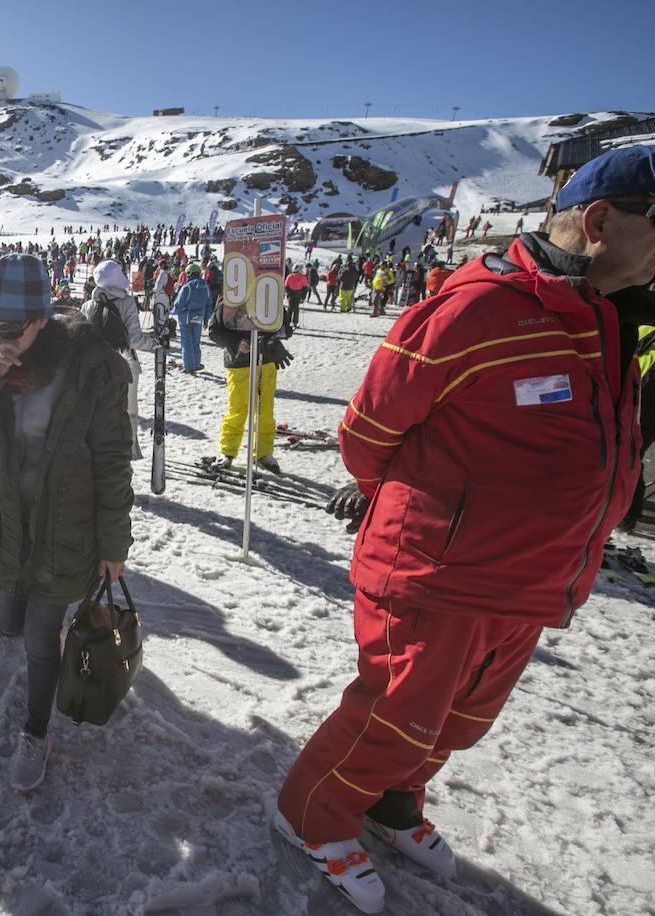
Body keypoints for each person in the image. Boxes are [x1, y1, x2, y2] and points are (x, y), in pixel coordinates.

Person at [276, 144, 655, 914]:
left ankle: (391, 803)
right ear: (601, 219)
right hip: (437, 573)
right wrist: (434, 520)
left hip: (532, 580)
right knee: (395, 713)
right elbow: (365, 432)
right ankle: (311, 814)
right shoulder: (477, 306)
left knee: (457, 719)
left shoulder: (610, 321)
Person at [0, 253, 134, 792]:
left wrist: (114, 541)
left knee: (39, 642)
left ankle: (36, 730)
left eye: (10, 330)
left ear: (43, 320)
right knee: (10, 623)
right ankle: (44, 651)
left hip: (63, 531)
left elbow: (113, 459)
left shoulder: (91, 370)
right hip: (5, 525)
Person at [207, 298, 293, 473]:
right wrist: (237, 343)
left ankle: (263, 453)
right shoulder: (232, 295)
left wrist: (273, 341)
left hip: (266, 362)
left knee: (264, 411)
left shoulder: (270, 293)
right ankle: (227, 451)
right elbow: (214, 331)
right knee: (237, 410)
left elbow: (284, 328)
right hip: (239, 363)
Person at [89, 259, 161, 459]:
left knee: (99, 410)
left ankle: (100, 450)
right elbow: (135, 339)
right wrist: (156, 344)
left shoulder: (88, 304)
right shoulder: (127, 302)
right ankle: (128, 452)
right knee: (128, 411)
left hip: (95, 367)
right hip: (125, 365)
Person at [172, 261, 213, 372]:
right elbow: (209, 305)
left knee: (186, 343)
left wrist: (172, 312)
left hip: (185, 319)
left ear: (188, 273)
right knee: (196, 342)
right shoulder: (205, 287)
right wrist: (206, 320)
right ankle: (196, 363)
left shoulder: (187, 287)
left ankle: (189, 366)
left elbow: (179, 304)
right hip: (199, 318)